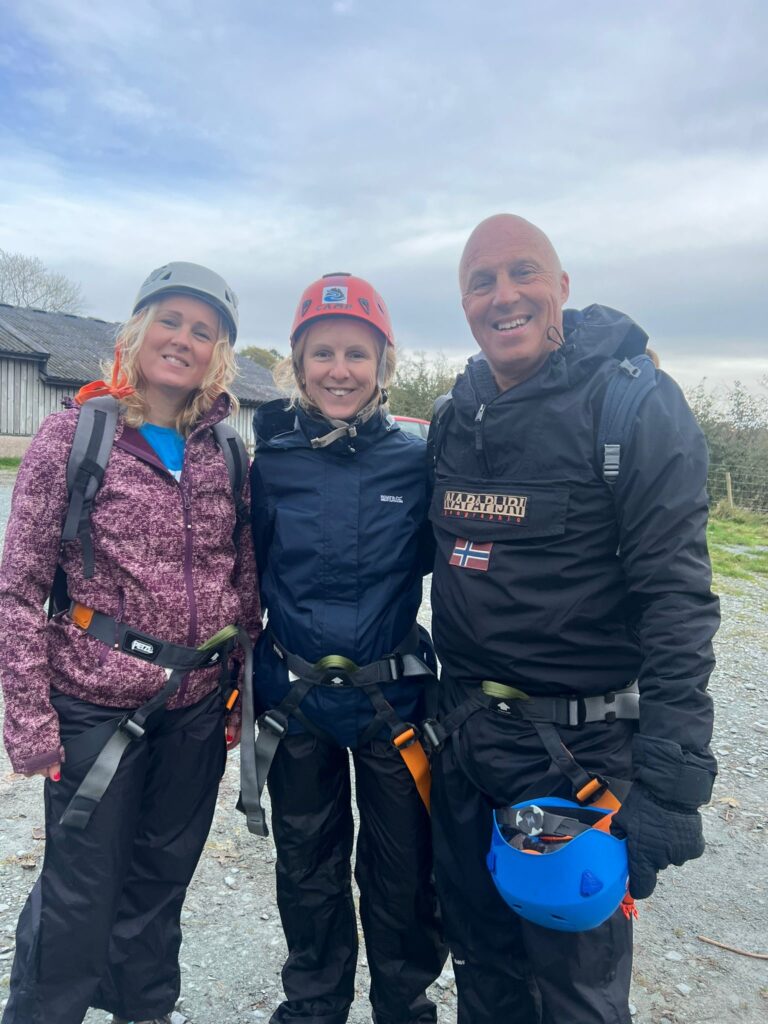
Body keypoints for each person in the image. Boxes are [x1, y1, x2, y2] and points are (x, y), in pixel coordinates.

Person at [427, 215, 720, 1023]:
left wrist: (670, 781)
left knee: (574, 989)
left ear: (561, 287)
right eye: (481, 282)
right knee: (480, 965)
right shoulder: (458, 415)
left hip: (573, 761)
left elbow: (678, 601)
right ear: (464, 303)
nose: (504, 295)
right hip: (464, 745)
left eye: (524, 273)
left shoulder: (631, 405)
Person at [0, 262, 261, 1024]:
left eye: (202, 330)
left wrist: (239, 694)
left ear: (218, 353)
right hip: (92, 707)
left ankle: (145, 1011)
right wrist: (29, 720)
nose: (183, 339)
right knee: (80, 893)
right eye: (170, 321)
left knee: (160, 886)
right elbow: (17, 589)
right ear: (138, 331)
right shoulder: (74, 435)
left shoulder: (226, 453)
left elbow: (240, 585)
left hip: (195, 711)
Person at [249, 272, 446, 1024]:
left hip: (389, 703)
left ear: (382, 365)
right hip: (296, 706)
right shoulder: (271, 465)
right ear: (298, 366)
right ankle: (313, 1005)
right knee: (306, 869)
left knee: (402, 872)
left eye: (357, 354)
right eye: (323, 353)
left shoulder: (415, 461)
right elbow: (248, 570)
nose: (340, 369)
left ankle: (405, 1005)